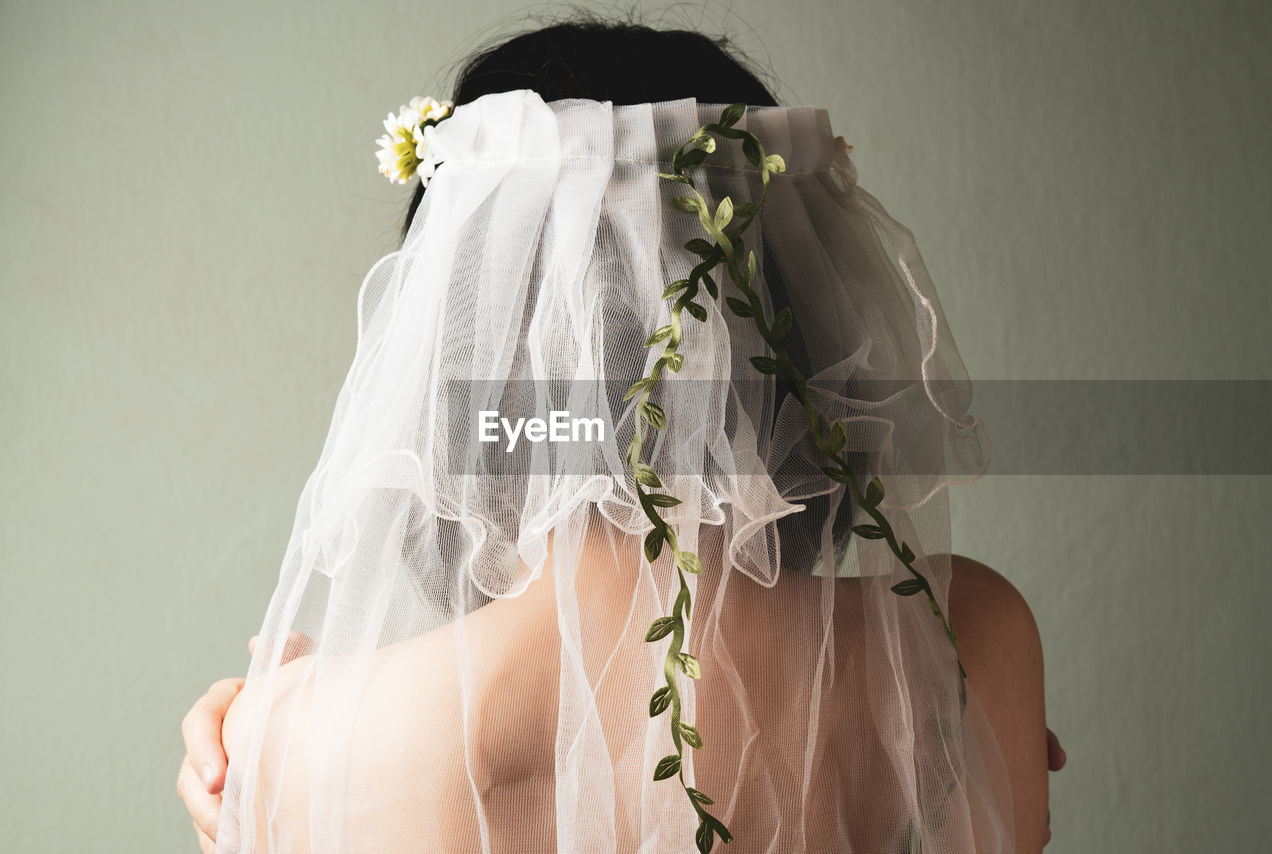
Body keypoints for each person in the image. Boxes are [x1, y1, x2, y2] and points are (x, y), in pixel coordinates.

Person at [177, 18, 1063, 853]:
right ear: (795, 316)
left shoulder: (294, 740)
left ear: (458, 335)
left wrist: (283, 724)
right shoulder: (971, 643)